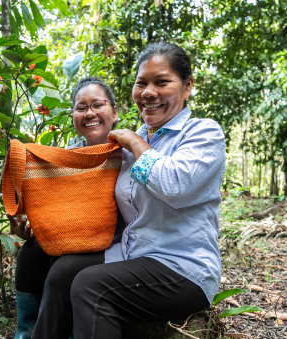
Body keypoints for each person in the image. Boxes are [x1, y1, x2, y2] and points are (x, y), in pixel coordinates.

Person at [66, 42, 226, 339]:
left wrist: (137, 145)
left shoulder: (203, 133)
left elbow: (174, 186)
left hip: (182, 268)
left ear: (187, 85)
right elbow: (94, 188)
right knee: (63, 269)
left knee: (90, 285)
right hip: (133, 254)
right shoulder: (131, 139)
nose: (149, 92)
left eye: (162, 82)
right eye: (142, 83)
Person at [6, 77, 124, 339]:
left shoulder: (129, 152)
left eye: (97, 105)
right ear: (73, 115)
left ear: (115, 112)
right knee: (30, 253)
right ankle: (25, 332)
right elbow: (56, 208)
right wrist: (34, 227)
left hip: (116, 242)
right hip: (77, 236)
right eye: (80, 108)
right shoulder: (64, 157)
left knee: (63, 268)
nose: (89, 113)